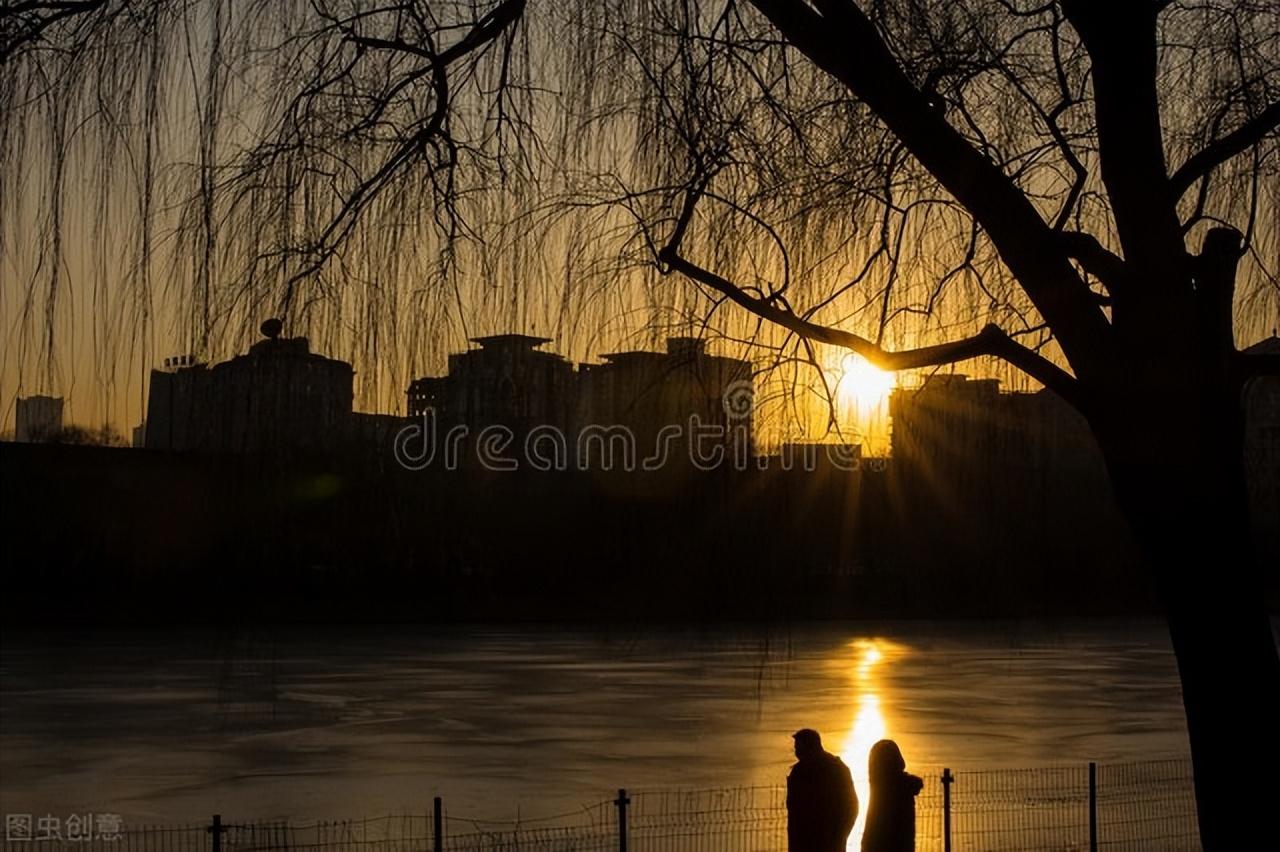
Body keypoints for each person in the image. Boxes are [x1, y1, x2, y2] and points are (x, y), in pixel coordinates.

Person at [786, 728, 858, 852]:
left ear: (809, 746)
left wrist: (838, 836)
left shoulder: (800, 772)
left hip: (814, 842)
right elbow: (852, 807)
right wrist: (841, 836)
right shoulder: (839, 767)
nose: (796, 751)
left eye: (798, 747)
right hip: (830, 841)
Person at [861, 739, 924, 852]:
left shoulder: (877, 781)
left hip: (875, 839)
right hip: (899, 840)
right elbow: (915, 784)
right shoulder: (900, 784)